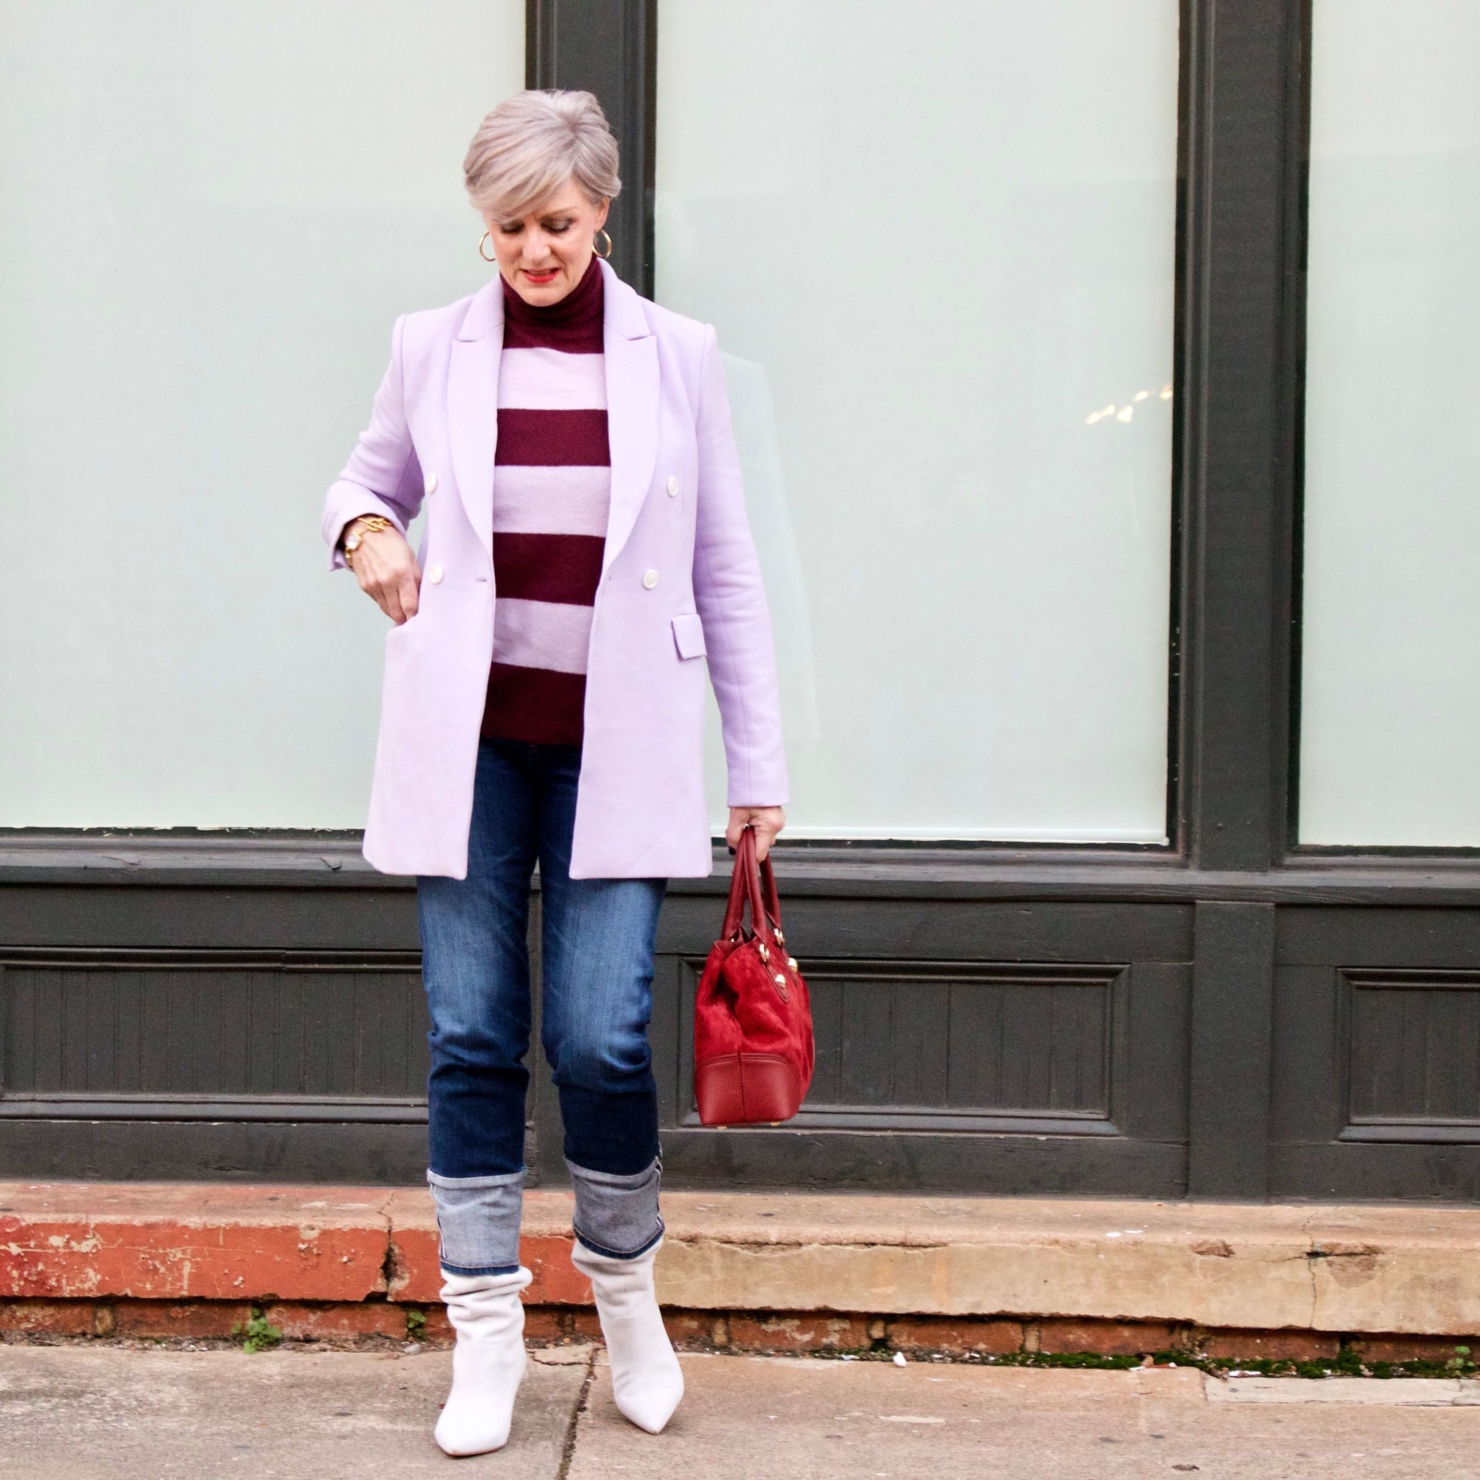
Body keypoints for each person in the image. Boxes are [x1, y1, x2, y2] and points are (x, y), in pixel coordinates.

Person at [319, 89, 788, 1456]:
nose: (534, 250)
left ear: (605, 211)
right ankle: (486, 1340)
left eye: (559, 224)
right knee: (472, 1037)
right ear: (482, 223)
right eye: (510, 227)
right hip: (468, 754)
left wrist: (755, 769)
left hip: (618, 750)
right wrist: (363, 533)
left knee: (599, 1037)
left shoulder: (677, 356)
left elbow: (728, 571)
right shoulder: (429, 349)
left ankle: (629, 1302)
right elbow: (360, 481)